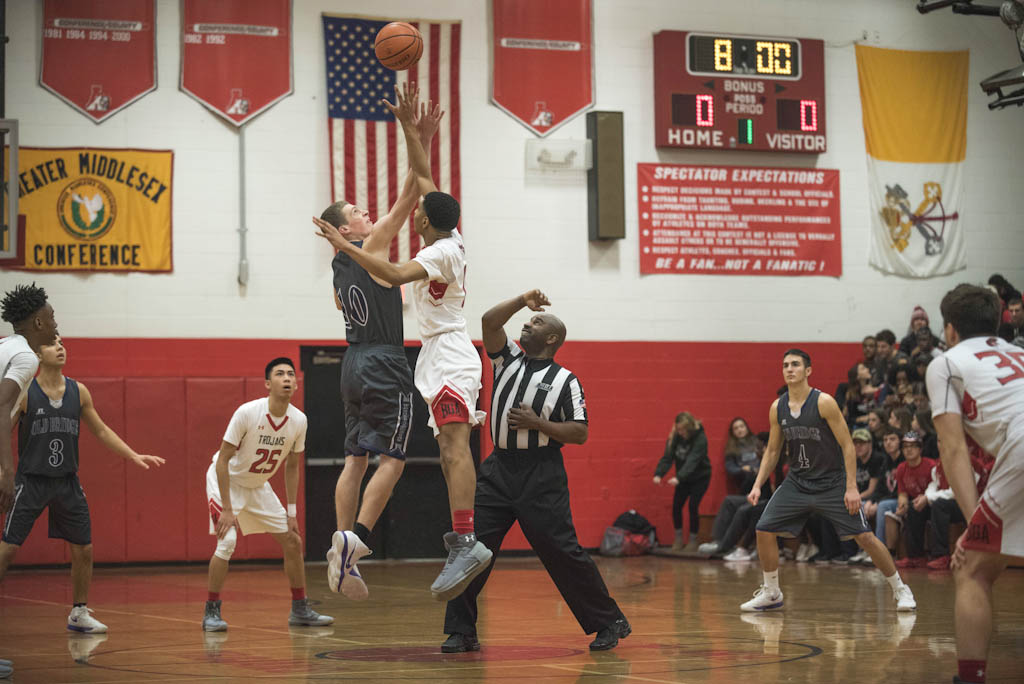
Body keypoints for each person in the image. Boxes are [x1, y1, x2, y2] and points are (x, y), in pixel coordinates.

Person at [313, 83, 491, 602]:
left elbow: (415, 206)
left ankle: (356, 541)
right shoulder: (404, 239)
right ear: (344, 225)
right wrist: (418, 137)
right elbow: (421, 191)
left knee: (366, 458)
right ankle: (355, 542)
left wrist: (417, 136)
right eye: (358, 211)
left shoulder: (350, 260)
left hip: (370, 357)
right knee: (398, 457)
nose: (380, 214)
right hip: (396, 358)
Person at [441, 289, 629, 652]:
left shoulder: (566, 381)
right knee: (471, 548)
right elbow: (489, 322)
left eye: (536, 322)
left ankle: (608, 622)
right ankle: (461, 630)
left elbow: (580, 432)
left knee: (562, 551)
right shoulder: (507, 358)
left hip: (541, 473)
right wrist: (522, 301)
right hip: (498, 469)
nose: (527, 323)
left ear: (552, 338)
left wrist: (538, 423)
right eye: (527, 321)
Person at [0, 335, 165, 634]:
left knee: (84, 547)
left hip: (67, 482)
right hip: (31, 480)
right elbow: (3, 430)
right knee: (8, 549)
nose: (60, 347)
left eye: (62, 342)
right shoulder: (26, 392)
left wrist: (132, 454)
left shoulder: (79, 391)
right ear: (37, 354)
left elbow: (101, 430)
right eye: (52, 343)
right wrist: (4, 470)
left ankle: (78, 613)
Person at [741, 349, 916, 612]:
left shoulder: (824, 402)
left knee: (865, 537)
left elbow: (847, 445)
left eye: (795, 364)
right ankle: (772, 592)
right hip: (798, 482)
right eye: (786, 365)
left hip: (832, 482)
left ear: (808, 371)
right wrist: (757, 484)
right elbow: (773, 451)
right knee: (763, 528)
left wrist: (852, 487)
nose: (789, 369)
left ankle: (900, 589)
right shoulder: (778, 407)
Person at [924, 283, 1024, 684]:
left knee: (972, 568)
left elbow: (952, 449)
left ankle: (971, 678)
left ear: (950, 330)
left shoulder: (946, 362)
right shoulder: (1020, 352)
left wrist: (972, 525)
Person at [202, 357, 332, 632]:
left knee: (293, 542)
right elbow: (223, 460)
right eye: (280, 374)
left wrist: (292, 512)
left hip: (258, 486)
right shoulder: (247, 413)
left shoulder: (299, 420)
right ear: (267, 384)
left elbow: (293, 466)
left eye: (290, 374)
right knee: (227, 543)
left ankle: (299, 609)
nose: (287, 378)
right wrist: (226, 508)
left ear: (296, 384)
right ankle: (211, 611)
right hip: (227, 482)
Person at [0, 283, 58, 680]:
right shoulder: (23, 354)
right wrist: (6, 470)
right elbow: (2, 406)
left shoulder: (6, 344)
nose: (56, 328)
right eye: (52, 319)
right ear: (37, 321)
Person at [698, 419, 770, 559]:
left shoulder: (763, 449)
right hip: (749, 490)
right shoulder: (732, 448)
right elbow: (730, 468)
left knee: (744, 510)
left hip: (765, 495)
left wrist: (755, 471)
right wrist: (744, 470)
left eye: (742, 426)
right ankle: (718, 541)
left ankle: (726, 546)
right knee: (729, 501)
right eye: (736, 428)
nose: (740, 430)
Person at [653, 412, 711, 552]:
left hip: (700, 477)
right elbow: (668, 457)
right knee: (676, 506)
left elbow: (693, 460)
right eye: (679, 429)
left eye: (683, 430)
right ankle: (678, 538)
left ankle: (693, 540)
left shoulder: (700, 439)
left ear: (690, 428)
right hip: (683, 479)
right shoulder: (675, 437)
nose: (681, 433)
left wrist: (679, 477)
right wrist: (659, 473)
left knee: (693, 506)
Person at [891, 431, 937, 568]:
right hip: (916, 504)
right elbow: (902, 493)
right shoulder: (901, 468)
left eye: (913, 446)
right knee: (910, 508)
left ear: (920, 449)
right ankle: (915, 557)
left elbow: (938, 488)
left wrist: (926, 498)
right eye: (905, 446)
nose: (909, 449)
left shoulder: (930, 465)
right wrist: (902, 505)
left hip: (932, 501)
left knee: (924, 508)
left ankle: (936, 555)